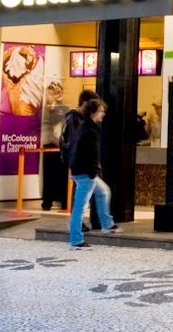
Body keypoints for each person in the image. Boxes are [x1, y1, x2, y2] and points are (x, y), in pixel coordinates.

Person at [66, 98, 117, 248]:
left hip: (84, 171)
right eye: (101, 111)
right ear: (93, 112)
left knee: (103, 191)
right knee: (80, 207)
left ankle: (107, 224)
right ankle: (76, 240)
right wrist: (93, 171)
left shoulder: (85, 128)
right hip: (86, 173)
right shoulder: (89, 131)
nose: (103, 113)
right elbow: (91, 154)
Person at [58, 89, 102, 228]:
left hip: (82, 161)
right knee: (81, 191)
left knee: (85, 191)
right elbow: (74, 141)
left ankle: (81, 221)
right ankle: (77, 222)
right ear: (85, 103)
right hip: (80, 162)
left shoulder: (80, 119)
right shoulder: (74, 119)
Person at [40, 82, 69, 211]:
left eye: (57, 92)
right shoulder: (47, 109)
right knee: (50, 175)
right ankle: (49, 201)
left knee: (60, 175)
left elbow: (57, 127)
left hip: (58, 145)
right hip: (51, 145)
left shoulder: (62, 109)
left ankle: (62, 201)